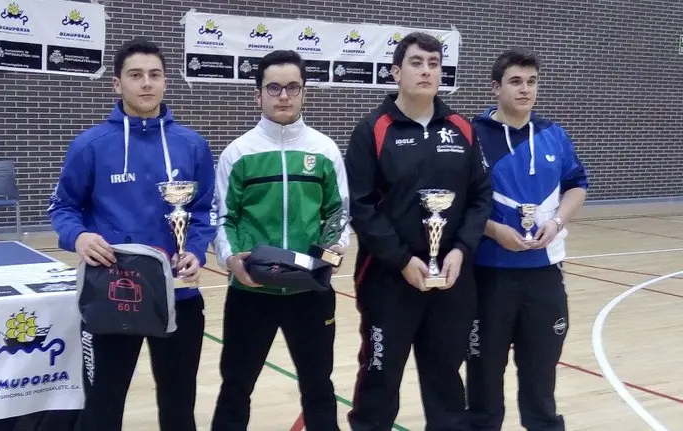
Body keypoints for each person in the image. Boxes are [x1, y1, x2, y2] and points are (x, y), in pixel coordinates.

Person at [47, 37, 216, 431]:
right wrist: (79, 238)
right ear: (117, 83)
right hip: (109, 295)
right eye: (136, 75)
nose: (146, 83)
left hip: (177, 295)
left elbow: (203, 209)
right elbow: (62, 207)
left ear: (165, 82)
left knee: (179, 406)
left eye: (154, 75)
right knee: (102, 406)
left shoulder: (192, 145)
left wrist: (196, 250)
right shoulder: (90, 145)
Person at [345, 31, 493, 430]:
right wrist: (402, 260)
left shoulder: (461, 128)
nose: (426, 71)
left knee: (446, 379)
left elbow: (481, 197)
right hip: (389, 280)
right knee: (379, 378)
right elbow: (362, 207)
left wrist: (461, 250)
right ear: (396, 72)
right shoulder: (372, 129)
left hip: (452, 280)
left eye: (433, 64)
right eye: (416, 63)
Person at [210, 49, 350, 431]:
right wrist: (231, 259)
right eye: (274, 87)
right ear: (258, 94)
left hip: (310, 291)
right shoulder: (238, 153)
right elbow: (224, 217)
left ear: (304, 92)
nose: (283, 95)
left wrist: (334, 249)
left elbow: (338, 213)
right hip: (251, 292)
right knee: (236, 386)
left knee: (319, 387)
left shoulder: (324, 150)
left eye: (292, 87)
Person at [465, 48, 589, 431]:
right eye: (516, 81)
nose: (525, 89)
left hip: (544, 274)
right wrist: (493, 230)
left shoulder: (554, 135)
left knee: (541, 374)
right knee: (484, 376)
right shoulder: (470, 135)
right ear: (495, 87)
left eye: (532, 82)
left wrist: (558, 221)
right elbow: (457, 200)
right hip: (488, 274)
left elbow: (577, 185)